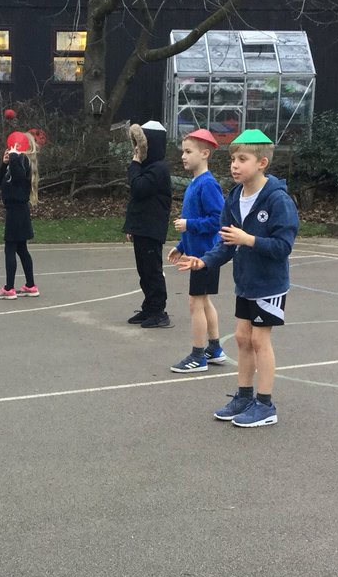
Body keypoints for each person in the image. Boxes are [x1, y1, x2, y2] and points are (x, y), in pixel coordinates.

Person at [177, 129, 298, 427]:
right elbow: (225, 244)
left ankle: (266, 405)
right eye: (232, 158)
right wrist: (202, 261)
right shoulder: (234, 197)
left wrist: (249, 239)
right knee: (243, 338)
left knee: (259, 340)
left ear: (262, 163)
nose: (234, 165)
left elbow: (283, 247)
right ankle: (244, 397)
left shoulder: (277, 199)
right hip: (246, 282)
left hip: (269, 283)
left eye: (242, 159)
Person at [167, 128, 227, 372]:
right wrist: (181, 246)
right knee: (203, 301)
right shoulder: (195, 183)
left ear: (205, 154)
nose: (184, 156)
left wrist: (189, 224)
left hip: (205, 256)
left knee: (196, 303)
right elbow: (198, 221)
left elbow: (218, 220)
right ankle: (215, 348)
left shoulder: (208, 185)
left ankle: (198, 355)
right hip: (196, 254)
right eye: (183, 152)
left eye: (189, 152)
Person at [123, 120, 172, 328]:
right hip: (142, 227)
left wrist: (134, 164)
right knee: (143, 270)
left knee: (152, 270)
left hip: (152, 228)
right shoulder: (147, 167)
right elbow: (136, 201)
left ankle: (159, 310)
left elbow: (139, 188)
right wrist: (131, 227)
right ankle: (148, 306)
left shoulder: (158, 169)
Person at [0, 131, 40, 300]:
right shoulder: (15, 162)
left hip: (17, 211)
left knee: (10, 248)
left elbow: (19, 178)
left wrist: (13, 157)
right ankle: (30, 285)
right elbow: (0, 181)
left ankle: (9, 288)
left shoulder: (23, 161)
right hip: (16, 210)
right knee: (21, 249)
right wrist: (4, 163)